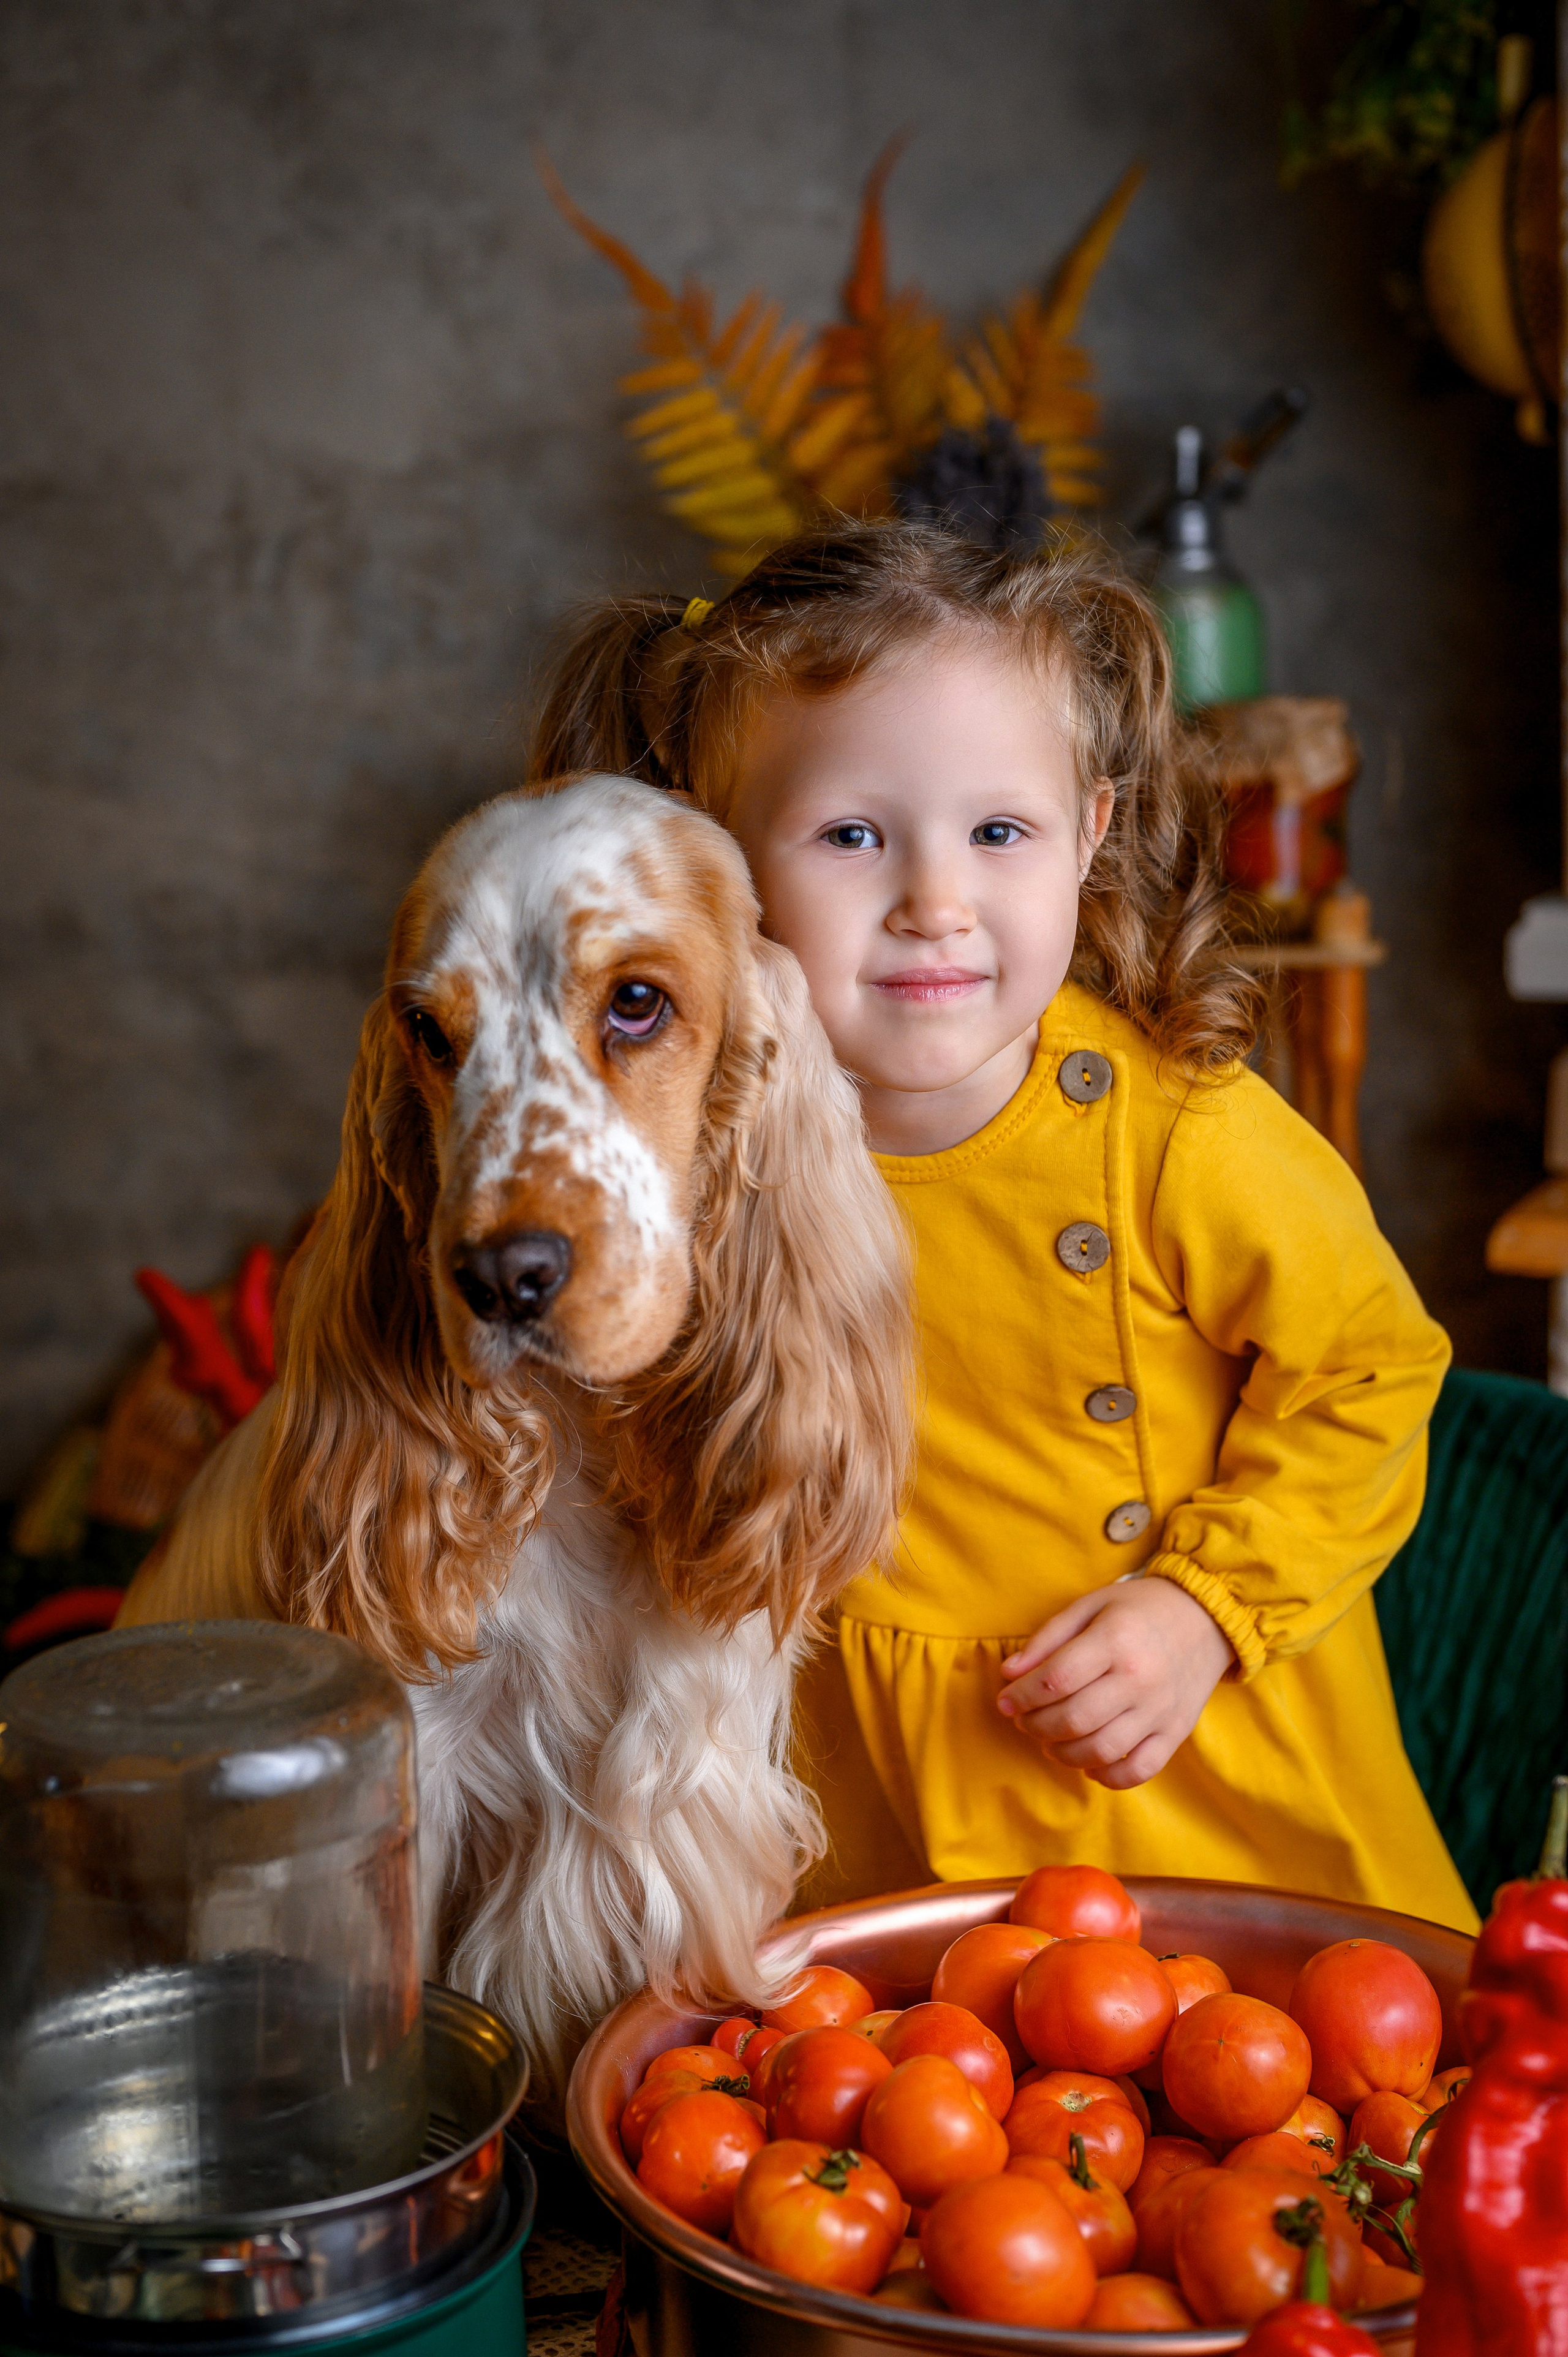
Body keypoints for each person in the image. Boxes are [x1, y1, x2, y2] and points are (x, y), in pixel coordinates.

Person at [530, 521, 1478, 1935]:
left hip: (1171, 1760)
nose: (933, 903)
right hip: (867, 1787)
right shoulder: (693, 1147)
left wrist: (1198, 1610)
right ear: (713, 859)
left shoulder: (1172, 1130)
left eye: (997, 832)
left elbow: (1372, 1369)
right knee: (911, 2121)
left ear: (1087, 833)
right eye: (851, 834)